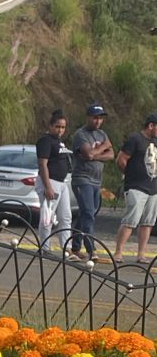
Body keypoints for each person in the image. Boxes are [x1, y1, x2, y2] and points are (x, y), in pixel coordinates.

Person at [70, 103, 114, 265]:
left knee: (87, 214)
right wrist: (103, 148)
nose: (97, 121)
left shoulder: (102, 134)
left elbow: (111, 154)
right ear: (88, 117)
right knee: (88, 212)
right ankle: (91, 249)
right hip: (83, 179)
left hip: (96, 180)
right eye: (95, 118)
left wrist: (97, 153)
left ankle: (75, 248)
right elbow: (88, 154)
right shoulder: (81, 135)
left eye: (100, 118)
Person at [115, 113, 157, 265]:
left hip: (153, 186)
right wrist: (129, 175)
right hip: (136, 186)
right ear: (151, 126)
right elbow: (121, 159)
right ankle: (118, 252)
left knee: (148, 222)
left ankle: (141, 254)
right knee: (130, 220)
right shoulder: (135, 139)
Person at [34, 109, 72, 253]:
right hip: (50, 181)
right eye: (57, 126)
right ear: (50, 126)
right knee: (47, 217)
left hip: (62, 183)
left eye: (63, 127)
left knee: (65, 216)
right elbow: (43, 164)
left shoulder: (59, 141)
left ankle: (66, 247)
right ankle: (45, 247)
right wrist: (48, 187)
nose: (60, 130)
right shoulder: (45, 141)